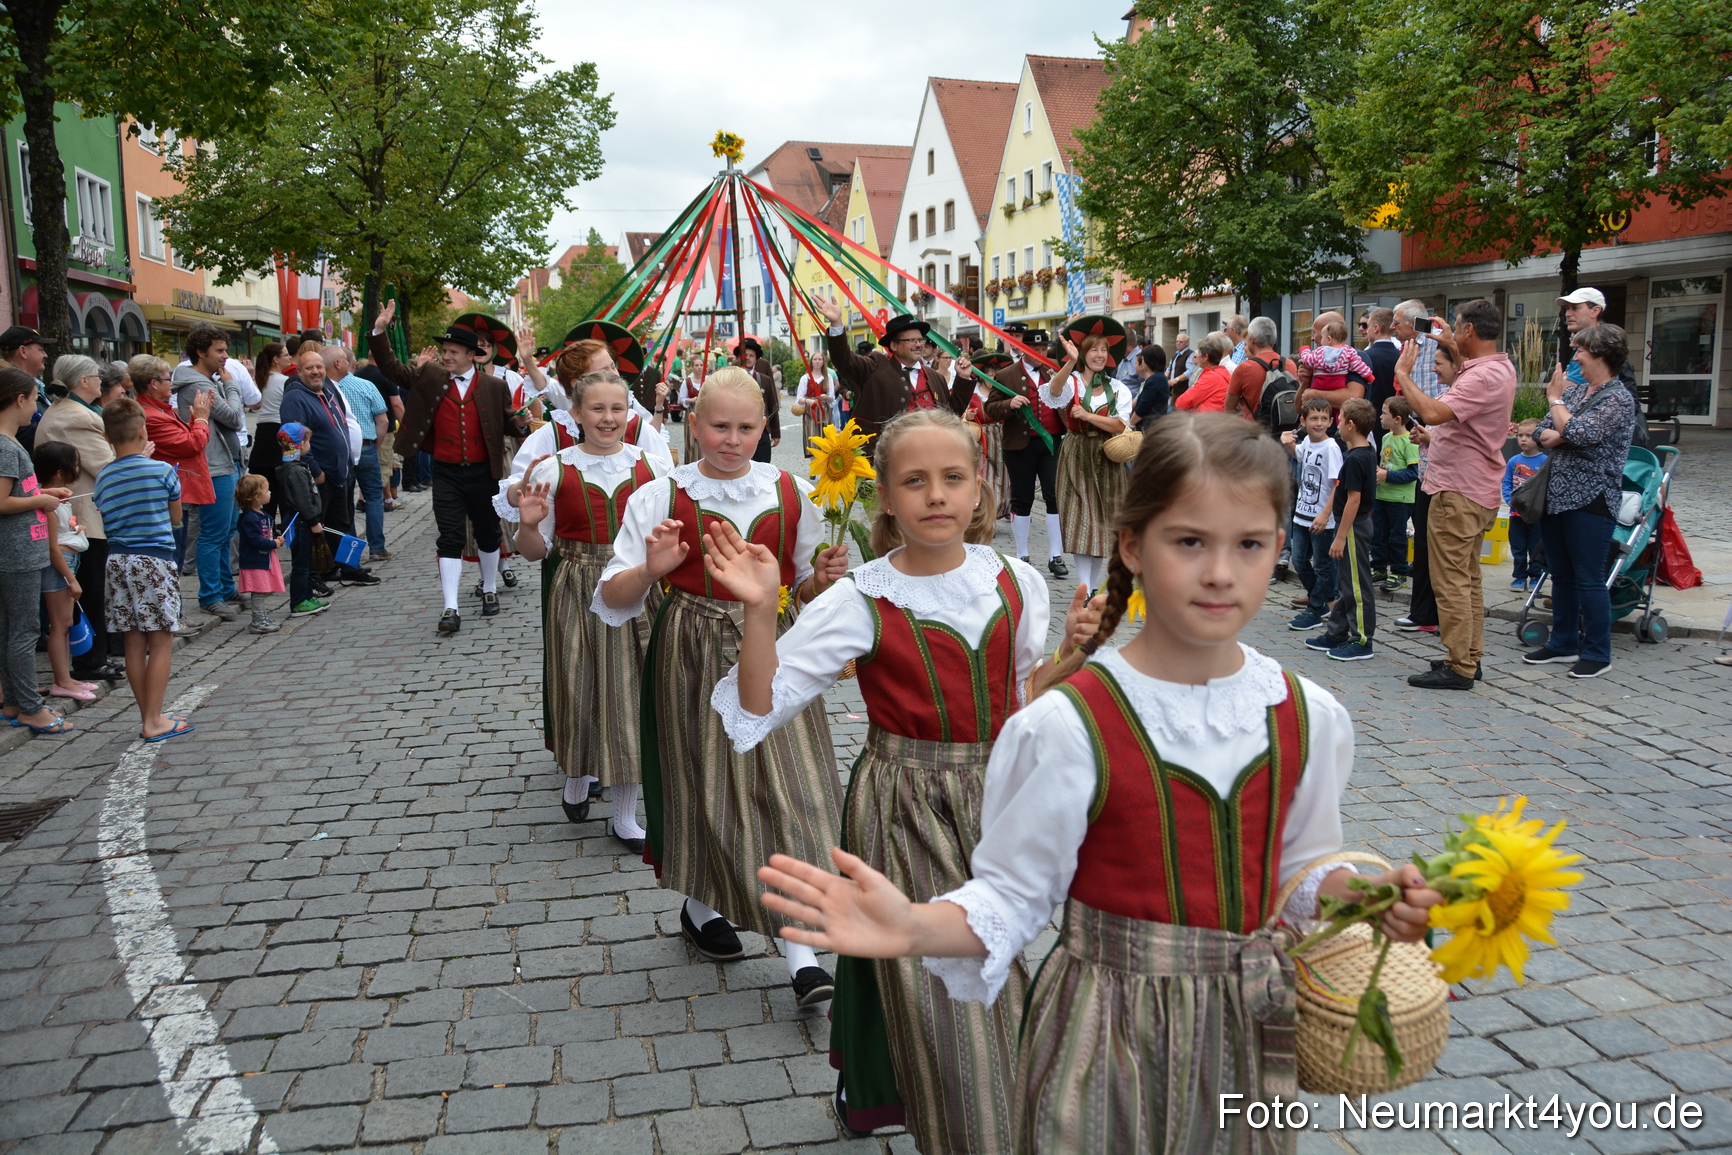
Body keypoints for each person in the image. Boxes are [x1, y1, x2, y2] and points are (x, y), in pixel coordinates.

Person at [755, 411, 1441, 1154]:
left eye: (1248, 544)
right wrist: (912, 925)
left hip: (1240, 1027)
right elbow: (1014, 895)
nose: (1219, 571)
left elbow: (1296, 867)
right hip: (1101, 1023)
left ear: (1280, 544)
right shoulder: (1064, 725)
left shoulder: (1311, 715)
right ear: (1131, 545)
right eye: (1189, 541)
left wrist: (1362, 899)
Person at [706, 408, 1092, 1150]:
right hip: (905, 802)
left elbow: (1021, 703)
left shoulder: (1016, 580)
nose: (937, 495)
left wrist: (1073, 655)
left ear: (981, 488)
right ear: (884, 495)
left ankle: (880, 1085)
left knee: (980, 974)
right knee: (954, 995)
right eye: (915, 481)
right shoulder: (860, 595)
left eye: (953, 477)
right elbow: (758, 704)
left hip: (999, 800)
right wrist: (760, 611)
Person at [595, 367, 849, 1007]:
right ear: (692, 423)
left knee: (789, 789)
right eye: (718, 426)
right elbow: (612, 595)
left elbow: (810, 586)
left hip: (775, 646)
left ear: (767, 428)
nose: (731, 440)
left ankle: (800, 952)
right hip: (691, 649)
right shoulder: (658, 496)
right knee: (704, 781)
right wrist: (651, 572)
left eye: (745, 427)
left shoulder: (790, 490)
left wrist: (821, 578)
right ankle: (702, 903)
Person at [504, 371, 669, 849]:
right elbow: (533, 551)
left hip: (635, 585)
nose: (608, 418)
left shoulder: (653, 467)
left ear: (630, 414)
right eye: (597, 409)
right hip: (575, 584)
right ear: (575, 414)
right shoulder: (552, 470)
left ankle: (625, 814)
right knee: (578, 685)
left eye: (617, 409)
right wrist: (530, 525)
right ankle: (577, 774)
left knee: (633, 692)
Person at [369, 298, 522, 632]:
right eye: (445, 351)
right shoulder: (430, 376)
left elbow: (508, 422)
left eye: (454, 352)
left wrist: (523, 423)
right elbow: (392, 369)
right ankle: (451, 607)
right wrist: (379, 330)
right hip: (446, 472)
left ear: (472, 355)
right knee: (449, 537)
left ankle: (490, 589)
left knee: (488, 532)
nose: (447, 356)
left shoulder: (496, 387)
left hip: (484, 472)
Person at [1400, 301, 1518, 690]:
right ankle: (1468, 655)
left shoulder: (1481, 377)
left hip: (1459, 491)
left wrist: (1403, 374)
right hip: (1472, 487)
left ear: (1469, 330)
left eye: (1456, 327)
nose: (1450, 332)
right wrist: (1453, 343)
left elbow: (1434, 412)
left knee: (1450, 580)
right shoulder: (1495, 367)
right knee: (1466, 578)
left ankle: (1459, 666)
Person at [1524, 324, 1638, 680]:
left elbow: (1582, 433)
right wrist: (1562, 425)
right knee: (1561, 575)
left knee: (1589, 578)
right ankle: (1563, 642)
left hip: (1592, 499)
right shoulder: (1578, 395)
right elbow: (1541, 433)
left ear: (1601, 357)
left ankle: (1597, 652)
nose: (1575, 359)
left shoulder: (1617, 398)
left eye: (1581, 353)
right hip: (1557, 496)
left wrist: (1558, 406)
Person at [93, 396, 193, 741]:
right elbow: (176, 519)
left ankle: (148, 714)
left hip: (118, 561)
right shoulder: (162, 470)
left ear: (108, 437)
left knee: (133, 640)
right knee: (161, 639)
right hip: (153, 559)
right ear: (143, 430)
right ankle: (154, 720)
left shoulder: (103, 477)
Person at [37, 355, 125, 681]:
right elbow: (107, 467)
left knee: (91, 592)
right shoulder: (74, 417)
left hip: (80, 515)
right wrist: (134, 457)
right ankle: (91, 661)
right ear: (82, 381)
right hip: (79, 515)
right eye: (95, 375)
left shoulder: (77, 412)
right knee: (88, 593)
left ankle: (96, 656)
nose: (100, 380)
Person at [0, 374, 74, 735]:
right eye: (33, 400)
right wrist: (40, 501)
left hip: (18, 550)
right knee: (23, 632)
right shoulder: (5, 445)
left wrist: (45, 492)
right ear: (17, 400)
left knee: (10, 630)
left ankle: (14, 701)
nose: (35, 408)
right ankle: (31, 707)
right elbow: (1, 501)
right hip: (16, 553)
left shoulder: (9, 444)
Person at [1044, 330, 1133, 593]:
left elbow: (1119, 425)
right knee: (1082, 519)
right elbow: (1053, 391)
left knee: (1102, 523)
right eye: (1094, 350)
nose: (1100, 355)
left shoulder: (1117, 388)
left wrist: (1088, 416)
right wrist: (1070, 362)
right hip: (1076, 455)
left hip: (1106, 456)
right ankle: (1084, 587)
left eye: (1104, 350)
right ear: (1084, 354)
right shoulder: (1071, 382)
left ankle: (1092, 587)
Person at [173, 325, 247, 620]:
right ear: (201, 352)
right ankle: (210, 595)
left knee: (227, 530)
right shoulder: (198, 385)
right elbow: (234, 417)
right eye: (219, 350)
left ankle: (225, 588)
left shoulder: (205, 380)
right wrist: (231, 386)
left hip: (223, 463)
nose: (225, 357)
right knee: (213, 534)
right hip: (213, 467)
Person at [820, 298, 972, 440]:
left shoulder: (935, 377)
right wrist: (836, 325)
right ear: (894, 345)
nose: (919, 344)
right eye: (911, 340)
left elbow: (951, 415)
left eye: (920, 340)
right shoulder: (875, 366)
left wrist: (963, 378)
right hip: (886, 457)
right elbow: (844, 360)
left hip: (929, 455)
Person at [1302, 397, 1379, 661]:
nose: (1337, 423)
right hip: (1352, 526)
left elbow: (1354, 500)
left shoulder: (1357, 458)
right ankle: (1337, 632)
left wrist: (1341, 536)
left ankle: (1361, 640)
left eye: (1341, 417)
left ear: (1351, 424)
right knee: (1348, 582)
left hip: (1354, 527)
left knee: (1357, 586)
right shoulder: (1362, 451)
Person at [985, 331, 1067, 577]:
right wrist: (1008, 405)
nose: (1041, 354)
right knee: (1022, 499)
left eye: (1044, 350)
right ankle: (1022, 555)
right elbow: (990, 409)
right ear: (1024, 350)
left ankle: (1056, 555)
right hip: (1019, 446)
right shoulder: (1006, 374)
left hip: (1051, 443)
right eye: (1035, 350)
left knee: (1054, 496)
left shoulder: (1054, 372)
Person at [133, 354, 212, 577]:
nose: (172, 384)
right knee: (173, 558)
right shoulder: (152, 415)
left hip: (177, 488)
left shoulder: (158, 410)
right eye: (168, 380)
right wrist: (202, 420)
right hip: (172, 492)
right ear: (153, 384)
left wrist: (193, 421)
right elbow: (191, 444)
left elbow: (178, 440)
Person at [1390, 300, 1442, 634]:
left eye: (1396, 321)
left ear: (1413, 322)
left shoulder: (1435, 345)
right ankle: (1422, 611)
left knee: (1433, 539)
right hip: (1424, 442)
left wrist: (1431, 431)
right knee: (1422, 535)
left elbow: (1441, 398)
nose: (1392, 327)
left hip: (1439, 445)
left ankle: (1433, 613)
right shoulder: (1409, 346)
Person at [30, 440, 94, 701]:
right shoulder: (49, 504)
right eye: (75, 464)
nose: (77, 468)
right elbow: (53, 549)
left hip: (68, 564)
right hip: (61, 568)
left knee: (65, 624)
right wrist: (71, 580)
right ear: (59, 472)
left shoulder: (56, 499)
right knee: (60, 625)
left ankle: (66, 678)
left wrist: (76, 530)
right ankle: (62, 680)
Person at [327, 344, 391, 562]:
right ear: (341, 362)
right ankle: (377, 548)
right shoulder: (366, 386)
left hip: (338, 450)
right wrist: (374, 445)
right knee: (373, 497)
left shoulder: (325, 389)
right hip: (366, 446)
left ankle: (350, 555)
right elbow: (382, 421)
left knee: (345, 503)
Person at [1282, 397, 1341, 632]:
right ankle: (1322, 599)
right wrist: (1288, 444)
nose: (1319, 423)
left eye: (1324, 419)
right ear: (1303, 421)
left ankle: (1316, 609)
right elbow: (1300, 456)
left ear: (1330, 421)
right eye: (1314, 418)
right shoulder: (1306, 441)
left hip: (1320, 518)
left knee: (1322, 565)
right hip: (1301, 514)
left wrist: (1326, 514)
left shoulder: (1331, 448)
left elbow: (1338, 483)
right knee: (1298, 560)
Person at [275, 424, 328, 618]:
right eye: (307, 441)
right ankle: (298, 601)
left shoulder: (295, 467)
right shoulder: (295, 471)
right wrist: (313, 521)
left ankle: (306, 596)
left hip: (303, 521)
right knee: (301, 564)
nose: (309, 445)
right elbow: (302, 499)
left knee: (306, 562)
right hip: (300, 522)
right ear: (300, 444)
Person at [1373, 396, 1420, 589]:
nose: (1380, 417)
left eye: (1384, 413)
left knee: (1397, 537)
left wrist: (1387, 475)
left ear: (1398, 419)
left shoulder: (1410, 442)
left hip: (1400, 500)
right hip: (1381, 496)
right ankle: (1379, 568)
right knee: (1378, 534)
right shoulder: (1385, 437)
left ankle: (1399, 571)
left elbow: (1413, 473)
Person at [233, 473, 285, 634]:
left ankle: (262, 617)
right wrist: (273, 543)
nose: (270, 493)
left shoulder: (264, 516)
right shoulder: (248, 518)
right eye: (267, 490)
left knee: (262, 591)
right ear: (257, 497)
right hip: (255, 561)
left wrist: (276, 537)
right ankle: (258, 620)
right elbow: (255, 540)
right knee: (259, 592)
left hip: (264, 559)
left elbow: (268, 532)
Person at [1502, 419, 1548, 591]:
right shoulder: (1513, 461)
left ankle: (1536, 576)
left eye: (1528, 436)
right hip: (1517, 513)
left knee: (1536, 547)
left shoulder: (1545, 461)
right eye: (1520, 435)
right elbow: (1506, 483)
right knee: (1518, 547)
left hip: (1536, 514)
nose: (1523, 439)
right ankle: (1519, 577)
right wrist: (1510, 500)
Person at [248, 342, 293, 517]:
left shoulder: (261, 379)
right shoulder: (285, 381)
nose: (289, 358)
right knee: (283, 485)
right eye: (286, 355)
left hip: (262, 433)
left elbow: (254, 403)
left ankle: (266, 526)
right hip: (279, 431)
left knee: (265, 485)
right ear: (276, 359)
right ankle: (287, 529)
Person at [1297, 316, 1374, 415]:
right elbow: (1300, 410)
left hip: (1343, 428)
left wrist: (1314, 394)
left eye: (1315, 333)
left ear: (1329, 336)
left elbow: (1353, 398)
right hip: (1317, 427)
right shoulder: (1316, 358)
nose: (1312, 338)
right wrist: (1305, 382)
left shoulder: (1355, 356)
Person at [1224, 317, 1295, 422]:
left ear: (1252, 340)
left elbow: (1228, 409)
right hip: (1286, 432)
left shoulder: (1245, 368)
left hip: (1254, 431)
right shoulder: (1290, 365)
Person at [0, 325, 54, 453]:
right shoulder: (9, 387)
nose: (45, 355)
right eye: (41, 350)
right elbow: (23, 434)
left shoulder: (35, 384)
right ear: (23, 351)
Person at [1361, 307, 1402, 429]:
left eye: (1367, 326)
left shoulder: (1366, 357)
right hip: (1395, 418)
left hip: (1370, 418)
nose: (1365, 330)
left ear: (1376, 328)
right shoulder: (1400, 355)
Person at [1171, 332, 1231, 411]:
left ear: (1206, 357)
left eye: (1198, 352)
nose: (1195, 355)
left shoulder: (1211, 377)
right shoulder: (1223, 371)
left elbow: (1181, 402)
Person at [794, 352, 836, 456]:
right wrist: (808, 401)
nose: (817, 362)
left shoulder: (828, 377)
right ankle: (814, 466)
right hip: (810, 412)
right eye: (815, 359)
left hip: (824, 412)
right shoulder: (805, 378)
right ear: (811, 362)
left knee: (825, 439)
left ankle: (823, 468)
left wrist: (826, 397)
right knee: (812, 438)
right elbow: (799, 398)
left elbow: (832, 398)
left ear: (823, 362)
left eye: (819, 359)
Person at [1128, 344, 1169, 427]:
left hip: (1151, 428)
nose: (1141, 362)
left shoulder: (1155, 379)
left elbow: (1143, 408)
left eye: (1142, 359)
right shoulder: (1156, 378)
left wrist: (1130, 425)